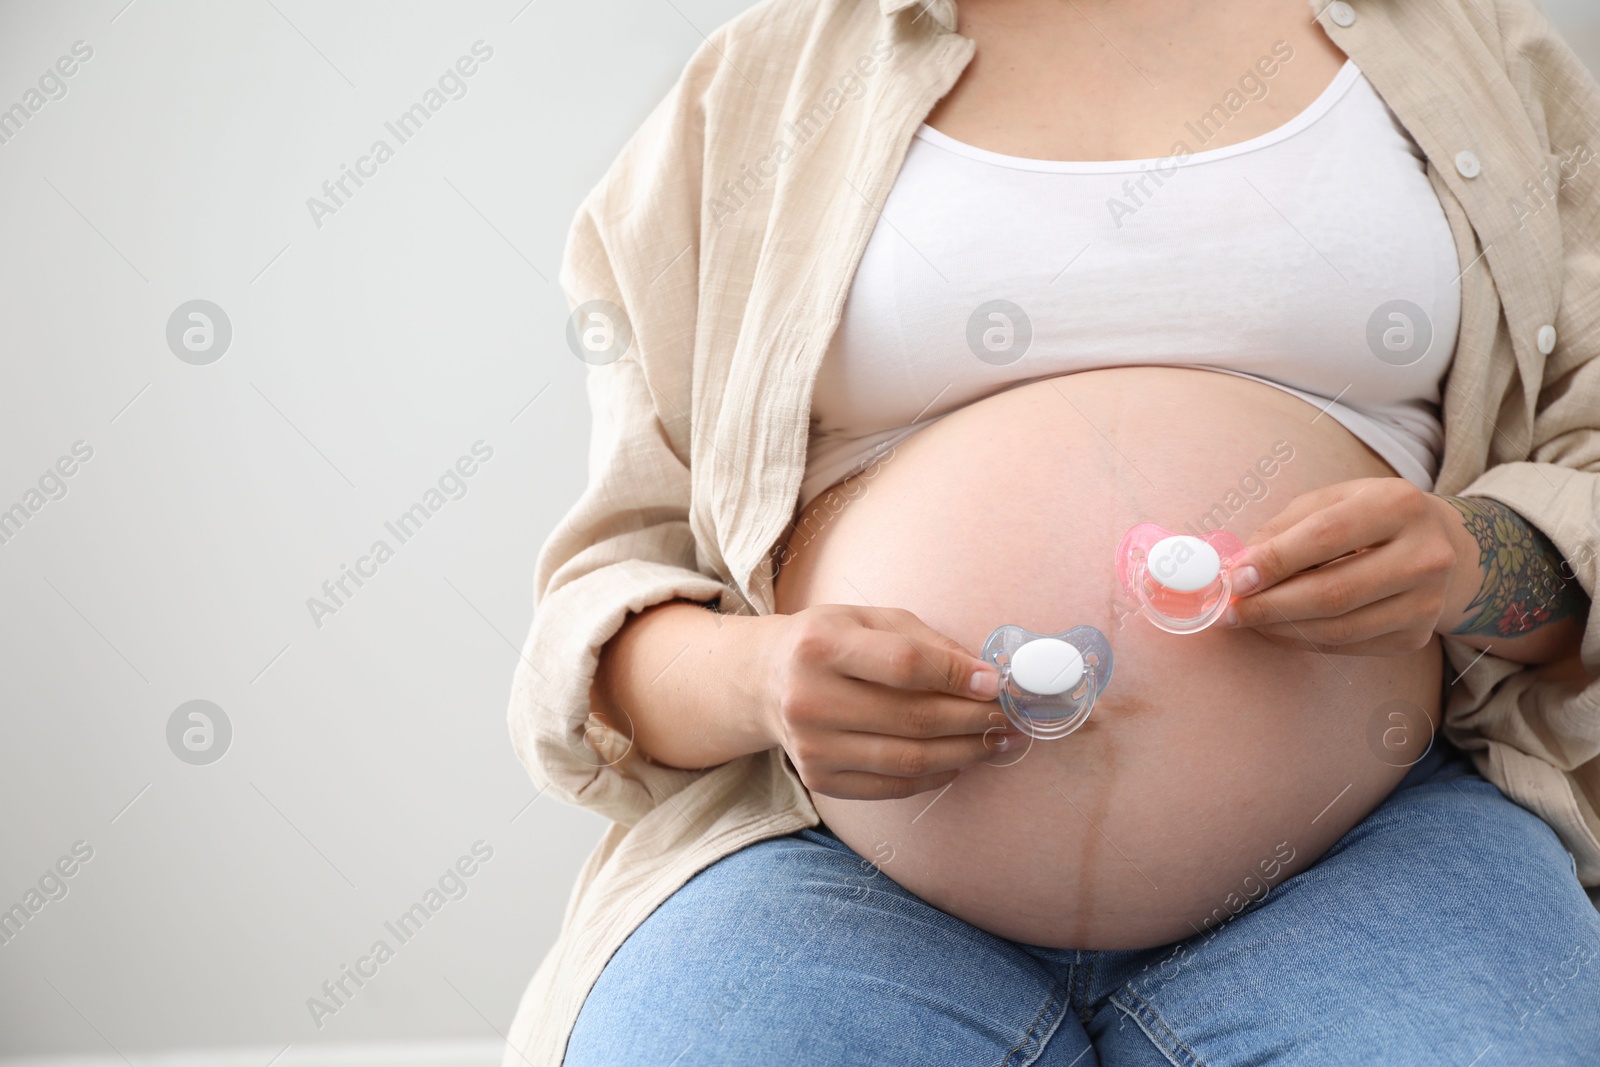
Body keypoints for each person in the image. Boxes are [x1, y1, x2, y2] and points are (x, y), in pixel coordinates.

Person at [502, 0, 1600, 1062]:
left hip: (1375, 844)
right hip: (826, 869)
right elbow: (602, 618)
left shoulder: (1476, 49)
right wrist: (760, 676)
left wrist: (1472, 563)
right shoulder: (757, 93)